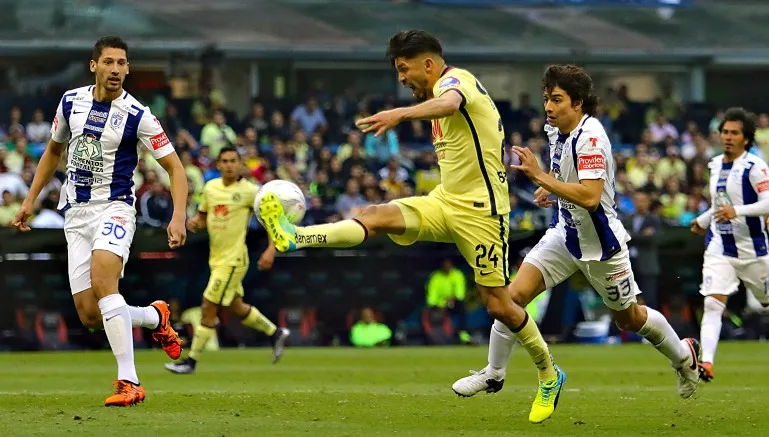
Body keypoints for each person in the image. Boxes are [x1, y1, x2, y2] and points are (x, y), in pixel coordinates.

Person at [256, 29, 549, 412]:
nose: (401, 78)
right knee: (375, 216)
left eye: (403, 68)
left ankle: (548, 373)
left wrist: (400, 114)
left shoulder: (455, 81)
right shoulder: (439, 90)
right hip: (445, 200)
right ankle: (295, 236)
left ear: (427, 63)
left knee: (499, 305)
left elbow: (450, 103)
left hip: (482, 212)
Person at [451, 65, 701, 423]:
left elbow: (590, 197)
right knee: (510, 298)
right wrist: (551, 190)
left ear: (578, 102)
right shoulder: (557, 129)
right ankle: (494, 373)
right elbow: (569, 179)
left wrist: (541, 178)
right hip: (564, 234)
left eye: (557, 99)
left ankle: (684, 357)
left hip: (600, 245)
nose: (548, 107)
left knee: (629, 319)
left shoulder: (592, 137)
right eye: (546, 99)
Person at [11, 36, 188, 407]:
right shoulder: (70, 102)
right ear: (94, 66)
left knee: (104, 282)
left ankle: (129, 381)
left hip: (115, 208)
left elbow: (175, 168)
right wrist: (29, 200)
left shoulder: (138, 114)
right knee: (91, 314)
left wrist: (178, 216)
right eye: (108, 62)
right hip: (76, 214)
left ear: (128, 69)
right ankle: (154, 317)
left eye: (122, 63)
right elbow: (53, 152)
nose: (115, 69)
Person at [165, 146, 290, 374]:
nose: (229, 165)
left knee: (208, 305)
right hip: (216, 258)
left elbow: (273, 221)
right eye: (225, 161)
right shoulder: (210, 188)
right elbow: (202, 218)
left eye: (233, 161)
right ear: (218, 165)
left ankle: (191, 361)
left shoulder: (251, 191)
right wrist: (194, 224)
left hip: (234, 259)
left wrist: (271, 250)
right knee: (235, 306)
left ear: (240, 164)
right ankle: (275, 333)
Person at [690, 107, 769, 382]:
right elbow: (719, 203)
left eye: (734, 132)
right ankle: (706, 363)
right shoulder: (714, 165)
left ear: (746, 138)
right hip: (720, 247)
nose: (728, 137)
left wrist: (738, 211)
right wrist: (703, 220)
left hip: (754, 250)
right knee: (713, 304)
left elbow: (767, 203)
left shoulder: (755, 167)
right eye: (725, 131)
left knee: (764, 303)